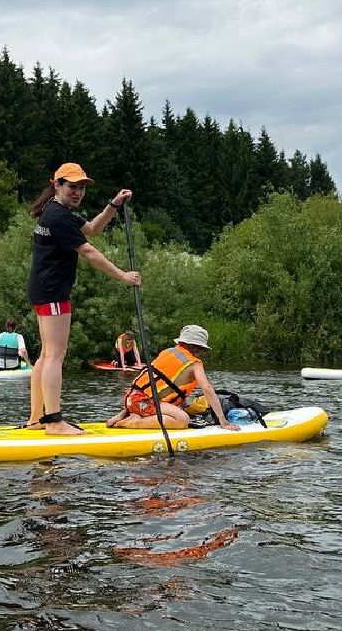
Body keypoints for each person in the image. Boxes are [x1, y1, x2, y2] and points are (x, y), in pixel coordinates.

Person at [26, 161, 140, 435]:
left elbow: (92, 229)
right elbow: (89, 251)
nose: (77, 192)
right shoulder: (58, 216)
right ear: (57, 185)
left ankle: (35, 419)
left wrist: (112, 205)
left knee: (45, 355)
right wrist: (123, 276)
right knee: (55, 355)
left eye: (81, 188)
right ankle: (53, 422)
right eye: (72, 187)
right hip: (52, 291)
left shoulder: (57, 211)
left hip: (43, 290)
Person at [105, 324, 233, 431]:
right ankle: (133, 422)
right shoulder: (195, 364)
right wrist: (223, 420)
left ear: (181, 342)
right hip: (144, 404)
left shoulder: (167, 352)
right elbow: (207, 388)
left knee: (175, 409)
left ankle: (123, 415)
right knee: (183, 420)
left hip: (131, 400)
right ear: (197, 347)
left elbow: (170, 387)